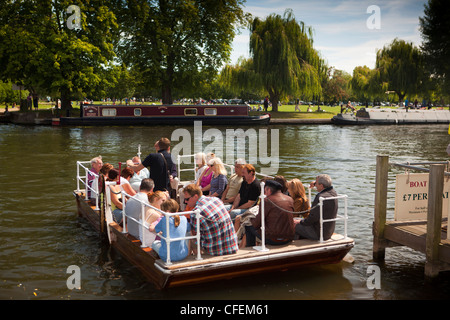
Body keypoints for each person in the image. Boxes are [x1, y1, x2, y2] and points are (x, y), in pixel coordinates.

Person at [183, 184, 238, 256]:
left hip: (214, 252)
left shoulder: (196, 212)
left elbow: (195, 238)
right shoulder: (216, 200)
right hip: (232, 247)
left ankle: (196, 258)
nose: (185, 202)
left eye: (187, 199)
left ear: (195, 196)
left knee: (190, 235)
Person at [245, 180, 295, 246]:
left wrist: (251, 220)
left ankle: (250, 247)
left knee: (248, 226)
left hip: (273, 239)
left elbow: (257, 223)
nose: (264, 193)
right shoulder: (290, 199)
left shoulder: (266, 200)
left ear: (268, 190)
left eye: (265, 191)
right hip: (289, 238)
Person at [294, 174, 338, 241]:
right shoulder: (333, 193)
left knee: (294, 225)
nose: (316, 185)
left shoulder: (320, 197)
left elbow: (312, 218)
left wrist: (300, 222)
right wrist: (314, 183)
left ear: (321, 185)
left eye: (316, 184)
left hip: (318, 233)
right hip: (328, 232)